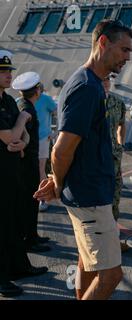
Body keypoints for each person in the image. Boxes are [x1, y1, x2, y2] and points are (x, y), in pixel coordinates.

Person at [34, 19, 132, 300]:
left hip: (88, 192)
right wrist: (57, 182)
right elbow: (61, 149)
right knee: (111, 275)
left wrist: (58, 180)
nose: (128, 57)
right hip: (89, 197)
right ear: (103, 42)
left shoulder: (87, 82)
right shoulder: (86, 87)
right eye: (124, 49)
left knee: (87, 263)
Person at [0, 51, 47, 298]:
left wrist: (19, 137)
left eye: (9, 70)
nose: (9, 74)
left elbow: (22, 138)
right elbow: (10, 135)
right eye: (3, 71)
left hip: (12, 171)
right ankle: (2, 278)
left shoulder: (7, 100)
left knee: (13, 223)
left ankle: (19, 267)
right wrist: (22, 121)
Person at [12, 72, 51, 253]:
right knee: (29, 202)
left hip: (28, 162)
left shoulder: (22, 104)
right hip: (27, 164)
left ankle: (32, 235)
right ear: (37, 91)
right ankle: (30, 240)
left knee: (31, 202)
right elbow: (19, 137)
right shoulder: (27, 109)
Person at [102, 74, 129, 252]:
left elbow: (121, 125)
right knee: (98, 202)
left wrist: (120, 144)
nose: (106, 83)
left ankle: (112, 240)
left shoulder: (118, 103)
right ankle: (101, 242)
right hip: (96, 160)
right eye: (103, 80)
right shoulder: (90, 102)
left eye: (108, 80)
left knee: (115, 199)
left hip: (114, 159)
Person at [35, 83, 57, 212]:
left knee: (40, 169)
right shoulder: (20, 101)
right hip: (26, 140)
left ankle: (42, 199)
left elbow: (57, 113)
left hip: (43, 139)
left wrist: (53, 133)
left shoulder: (46, 99)